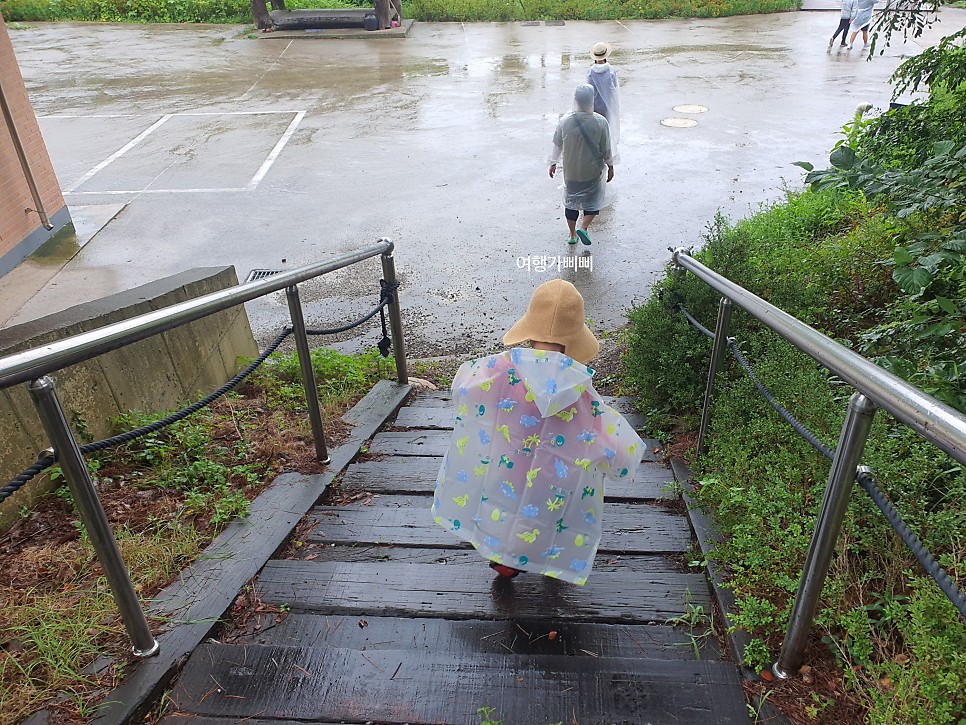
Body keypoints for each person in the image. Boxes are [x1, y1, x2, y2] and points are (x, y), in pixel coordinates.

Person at [431, 279, 645, 586]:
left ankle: (503, 559)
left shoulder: (501, 369)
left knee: (503, 505)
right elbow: (611, 442)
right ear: (575, 338)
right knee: (550, 515)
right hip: (557, 476)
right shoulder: (581, 391)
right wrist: (624, 461)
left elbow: (464, 388)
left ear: (530, 328)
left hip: (508, 463)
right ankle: (549, 559)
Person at [549, 84, 614, 247]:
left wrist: (553, 163)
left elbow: (557, 144)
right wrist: (611, 166)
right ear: (592, 100)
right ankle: (583, 227)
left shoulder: (565, 121)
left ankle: (572, 235)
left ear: (576, 100)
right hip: (592, 173)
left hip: (571, 172)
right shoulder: (600, 122)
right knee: (592, 202)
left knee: (571, 202)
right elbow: (606, 148)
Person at [586, 42, 621, 145]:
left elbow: (589, 91)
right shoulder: (611, 71)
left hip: (595, 106)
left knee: (596, 130)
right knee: (607, 130)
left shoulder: (590, 72)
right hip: (608, 106)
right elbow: (614, 90)